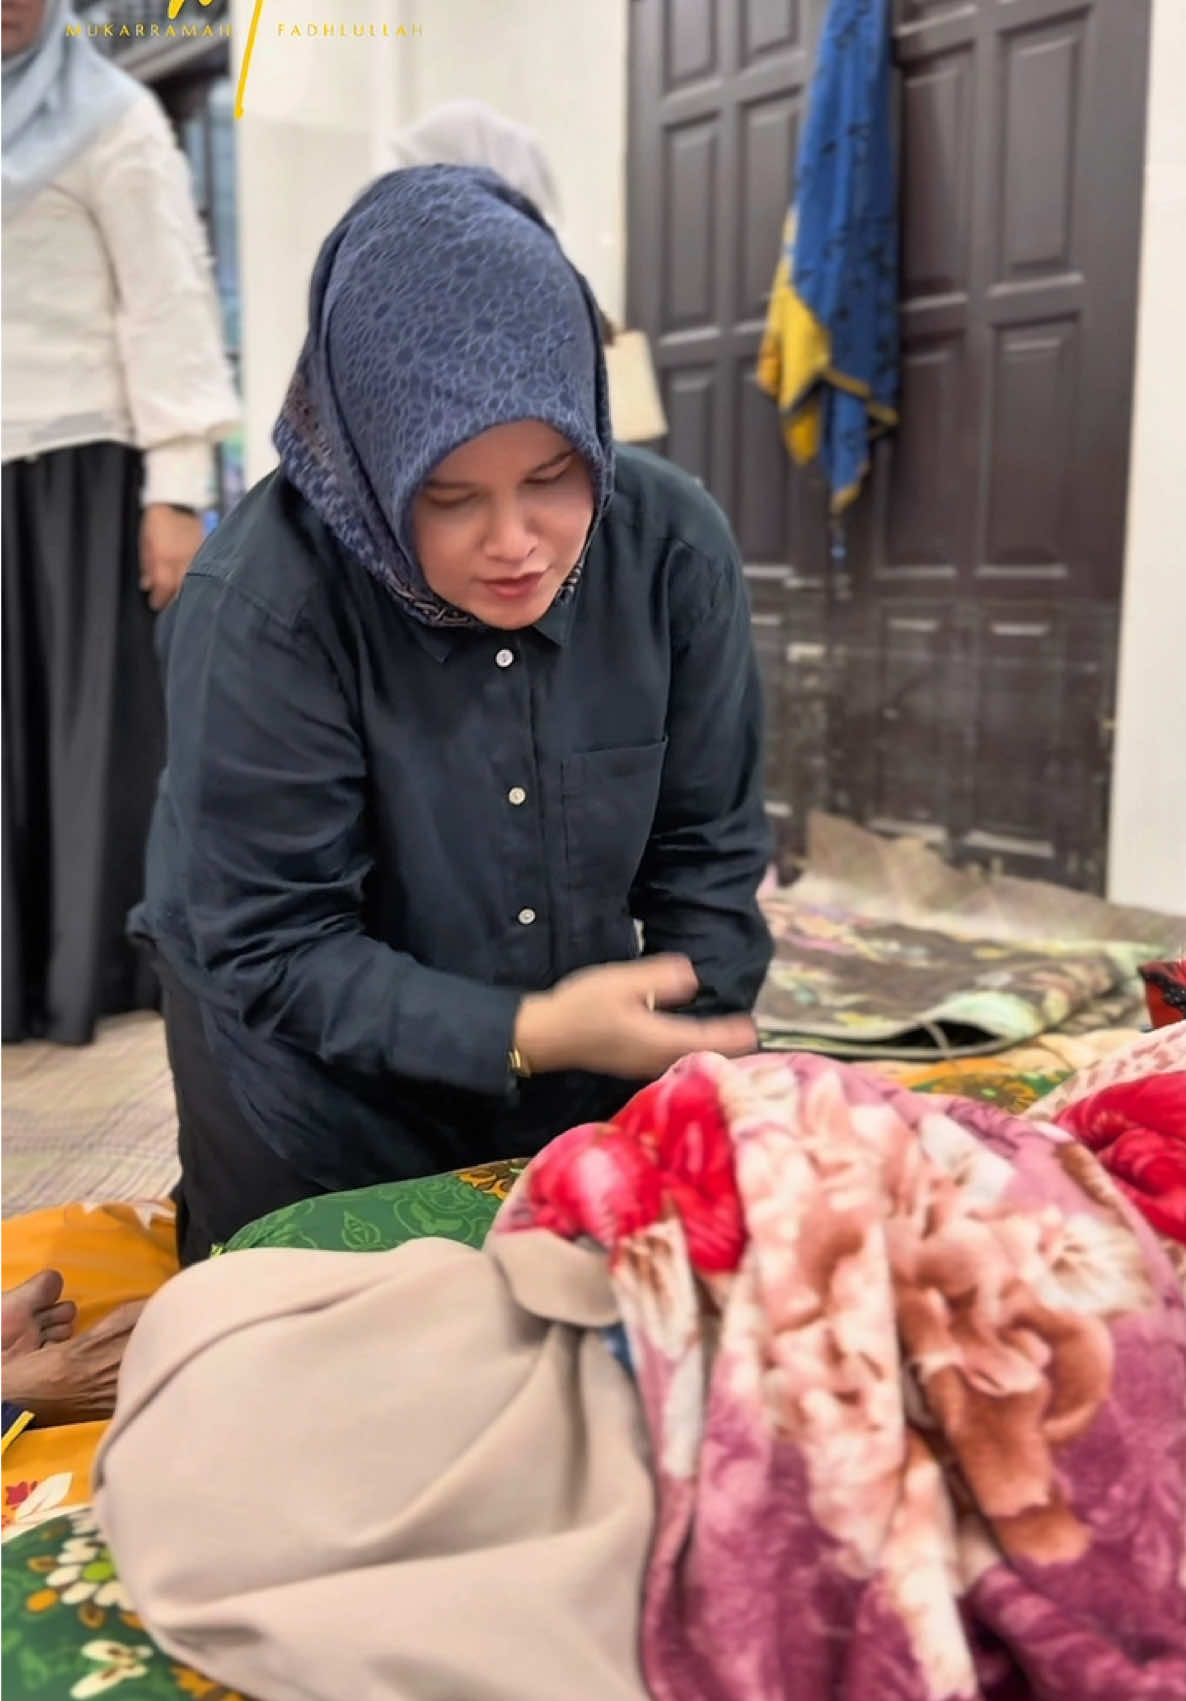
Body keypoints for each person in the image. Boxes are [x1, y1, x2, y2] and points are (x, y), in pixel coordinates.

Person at [133, 165, 774, 1265]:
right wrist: (523, 1032)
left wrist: (688, 1047)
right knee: (321, 1372)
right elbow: (276, 946)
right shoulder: (266, 606)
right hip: (314, 1082)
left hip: (581, 1049)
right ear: (374, 472)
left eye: (553, 475)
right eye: (450, 497)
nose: (516, 541)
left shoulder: (668, 549)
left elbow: (705, 853)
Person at [1, 0, 238, 1046]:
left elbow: (168, 302)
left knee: (93, 731)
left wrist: (175, 489)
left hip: (83, 465)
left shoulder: (112, 117)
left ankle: (92, 969)